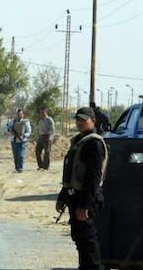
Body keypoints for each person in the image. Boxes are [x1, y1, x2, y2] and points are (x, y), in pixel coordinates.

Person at [56, 107, 108, 270]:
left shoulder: (94, 144)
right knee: (79, 238)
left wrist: (85, 205)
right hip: (75, 197)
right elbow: (71, 174)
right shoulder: (79, 141)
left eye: (83, 120)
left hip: (87, 199)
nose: (79, 122)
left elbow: (93, 178)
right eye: (77, 119)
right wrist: (62, 197)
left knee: (88, 239)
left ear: (93, 121)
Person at [6, 108, 31, 173]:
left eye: (20, 114)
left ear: (23, 114)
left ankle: (20, 168)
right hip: (14, 140)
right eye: (18, 114)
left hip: (22, 140)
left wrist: (24, 136)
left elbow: (29, 131)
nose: (19, 115)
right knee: (15, 155)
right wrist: (9, 131)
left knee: (21, 155)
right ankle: (17, 168)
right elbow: (8, 128)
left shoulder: (26, 122)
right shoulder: (13, 121)